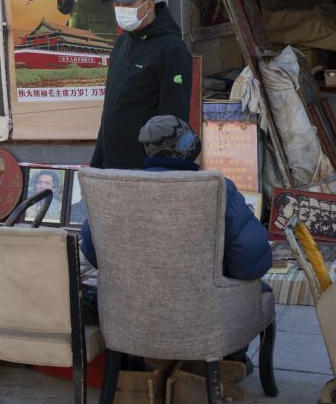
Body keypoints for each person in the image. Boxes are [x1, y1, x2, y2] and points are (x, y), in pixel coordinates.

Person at [81, 116, 272, 281]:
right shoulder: (218, 189)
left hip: (129, 309)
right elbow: (251, 259)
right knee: (260, 291)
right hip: (206, 307)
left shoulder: (116, 190)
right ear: (189, 147)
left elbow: (92, 250)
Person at [90, 0, 192, 171]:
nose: (120, 10)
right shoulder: (123, 42)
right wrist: (97, 160)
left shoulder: (171, 49)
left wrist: (162, 170)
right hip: (112, 163)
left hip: (143, 168)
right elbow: (111, 106)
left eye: (127, 4)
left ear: (149, 5)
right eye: (116, 4)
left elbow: (174, 116)